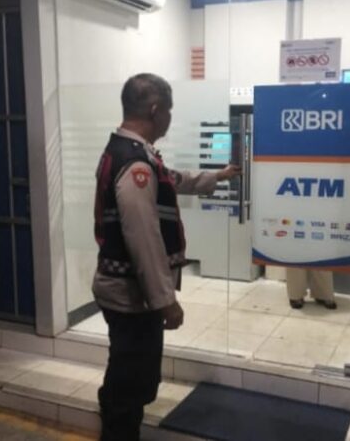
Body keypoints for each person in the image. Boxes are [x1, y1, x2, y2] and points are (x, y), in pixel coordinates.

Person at [91, 73, 240, 441]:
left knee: (125, 376)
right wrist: (165, 301)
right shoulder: (136, 163)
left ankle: (115, 422)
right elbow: (144, 238)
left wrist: (218, 176)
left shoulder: (128, 152)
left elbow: (174, 179)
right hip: (131, 297)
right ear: (156, 110)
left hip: (125, 292)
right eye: (169, 111)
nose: (170, 119)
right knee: (131, 386)